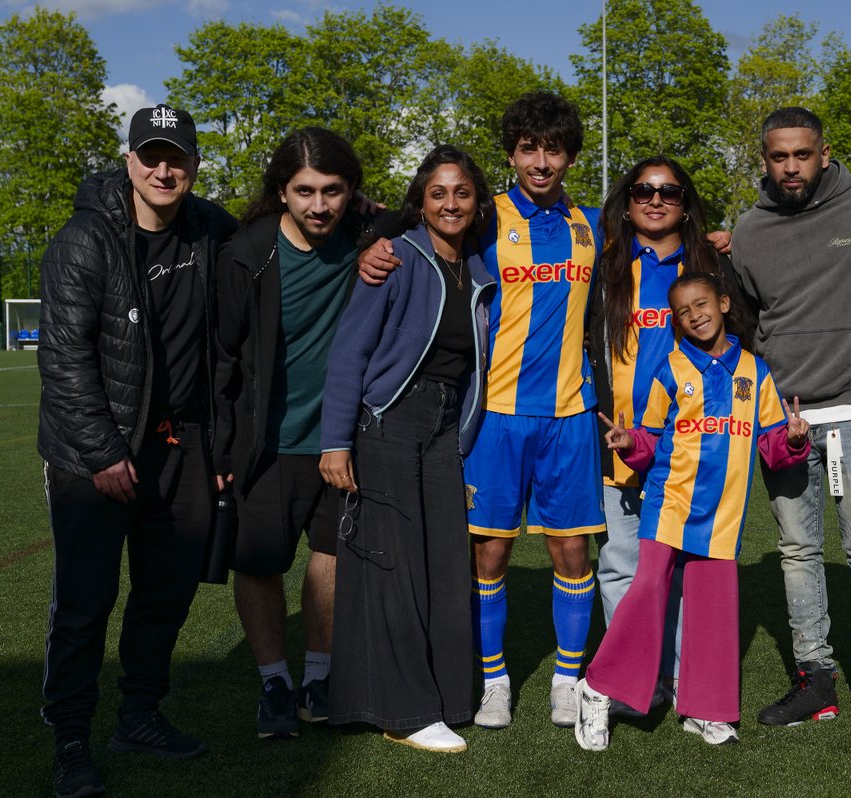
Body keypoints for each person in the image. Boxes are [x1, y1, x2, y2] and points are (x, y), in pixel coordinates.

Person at [359, 92, 604, 730]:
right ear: (511, 154)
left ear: (571, 157)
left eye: (554, 150)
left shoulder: (594, 223)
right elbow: (410, 222)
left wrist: (718, 238)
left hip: (571, 415)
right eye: (528, 149)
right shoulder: (485, 217)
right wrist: (372, 245)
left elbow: (665, 239)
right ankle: (494, 681)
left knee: (572, 550)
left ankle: (568, 678)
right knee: (489, 553)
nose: (541, 162)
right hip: (496, 413)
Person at [38, 104, 237, 798]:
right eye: (151, 156)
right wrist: (102, 452)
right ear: (129, 162)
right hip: (91, 453)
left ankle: (140, 716)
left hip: (180, 446)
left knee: (165, 595)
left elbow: (284, 233)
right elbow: (64, 359)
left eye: (176, 158)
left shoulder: (211, 230)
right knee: (85, 603)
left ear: (194, 166)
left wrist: (370, 224)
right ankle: (70, 739)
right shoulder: (83, 240)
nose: (163, 170)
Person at [728, 106, 851, 747]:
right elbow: (746, 317)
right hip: (785, 421)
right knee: (798, 553)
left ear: (824, 154)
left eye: (802, 155)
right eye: (779, 157)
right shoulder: (749, 230)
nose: (791, 167)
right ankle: (815, 678)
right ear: (765, 160)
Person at [574, 272, 811, 750]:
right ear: (676, 322)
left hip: (723, 512)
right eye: (683, 312)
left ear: (723, 303)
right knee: (646, 592)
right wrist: (629, 444)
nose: (694, 315)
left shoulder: (755, 371)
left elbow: (770, 446)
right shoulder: (670, 369)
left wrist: (792, 440)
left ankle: (705, 710)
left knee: (712, 610)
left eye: (701, 304)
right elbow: (650, 438)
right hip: (669, 502)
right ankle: (597, 688)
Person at [318, 145, 496, 752]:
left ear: (477, 202)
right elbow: (350, 352)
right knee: (393, 569)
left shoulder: (478, 268)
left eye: (462, 193)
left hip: (444, 428)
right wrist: (336, 441)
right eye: (438, 193)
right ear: (420, 201)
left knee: (445, 565)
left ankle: (445, 698)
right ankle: (403, 712)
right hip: (387, 422)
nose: (450, 203)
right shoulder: (395, 257)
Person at [213, 127, 378, 740]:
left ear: (351, 191)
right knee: (259, 564)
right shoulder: (246, 253)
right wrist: (222, 448)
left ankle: (318, 679)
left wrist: (377, 223)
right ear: (281, 191)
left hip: (341, 441)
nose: (319, 205)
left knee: (331, 558)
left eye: (332, 190)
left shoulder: (367, 237)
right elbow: (220, 359)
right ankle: (274, 682)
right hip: (266, 444)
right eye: (305, 190)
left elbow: (428, 213)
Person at [587, 155, 739, 704]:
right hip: (617, 439)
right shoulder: (603, 264)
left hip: (690, 450)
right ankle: (638, 679)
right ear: (626, 202)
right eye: (643, 190)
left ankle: (678, 675)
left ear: (686, 203)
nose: (655, 200)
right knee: (620, 563)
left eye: (669, 191)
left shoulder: (711, 266)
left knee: (678, 567)